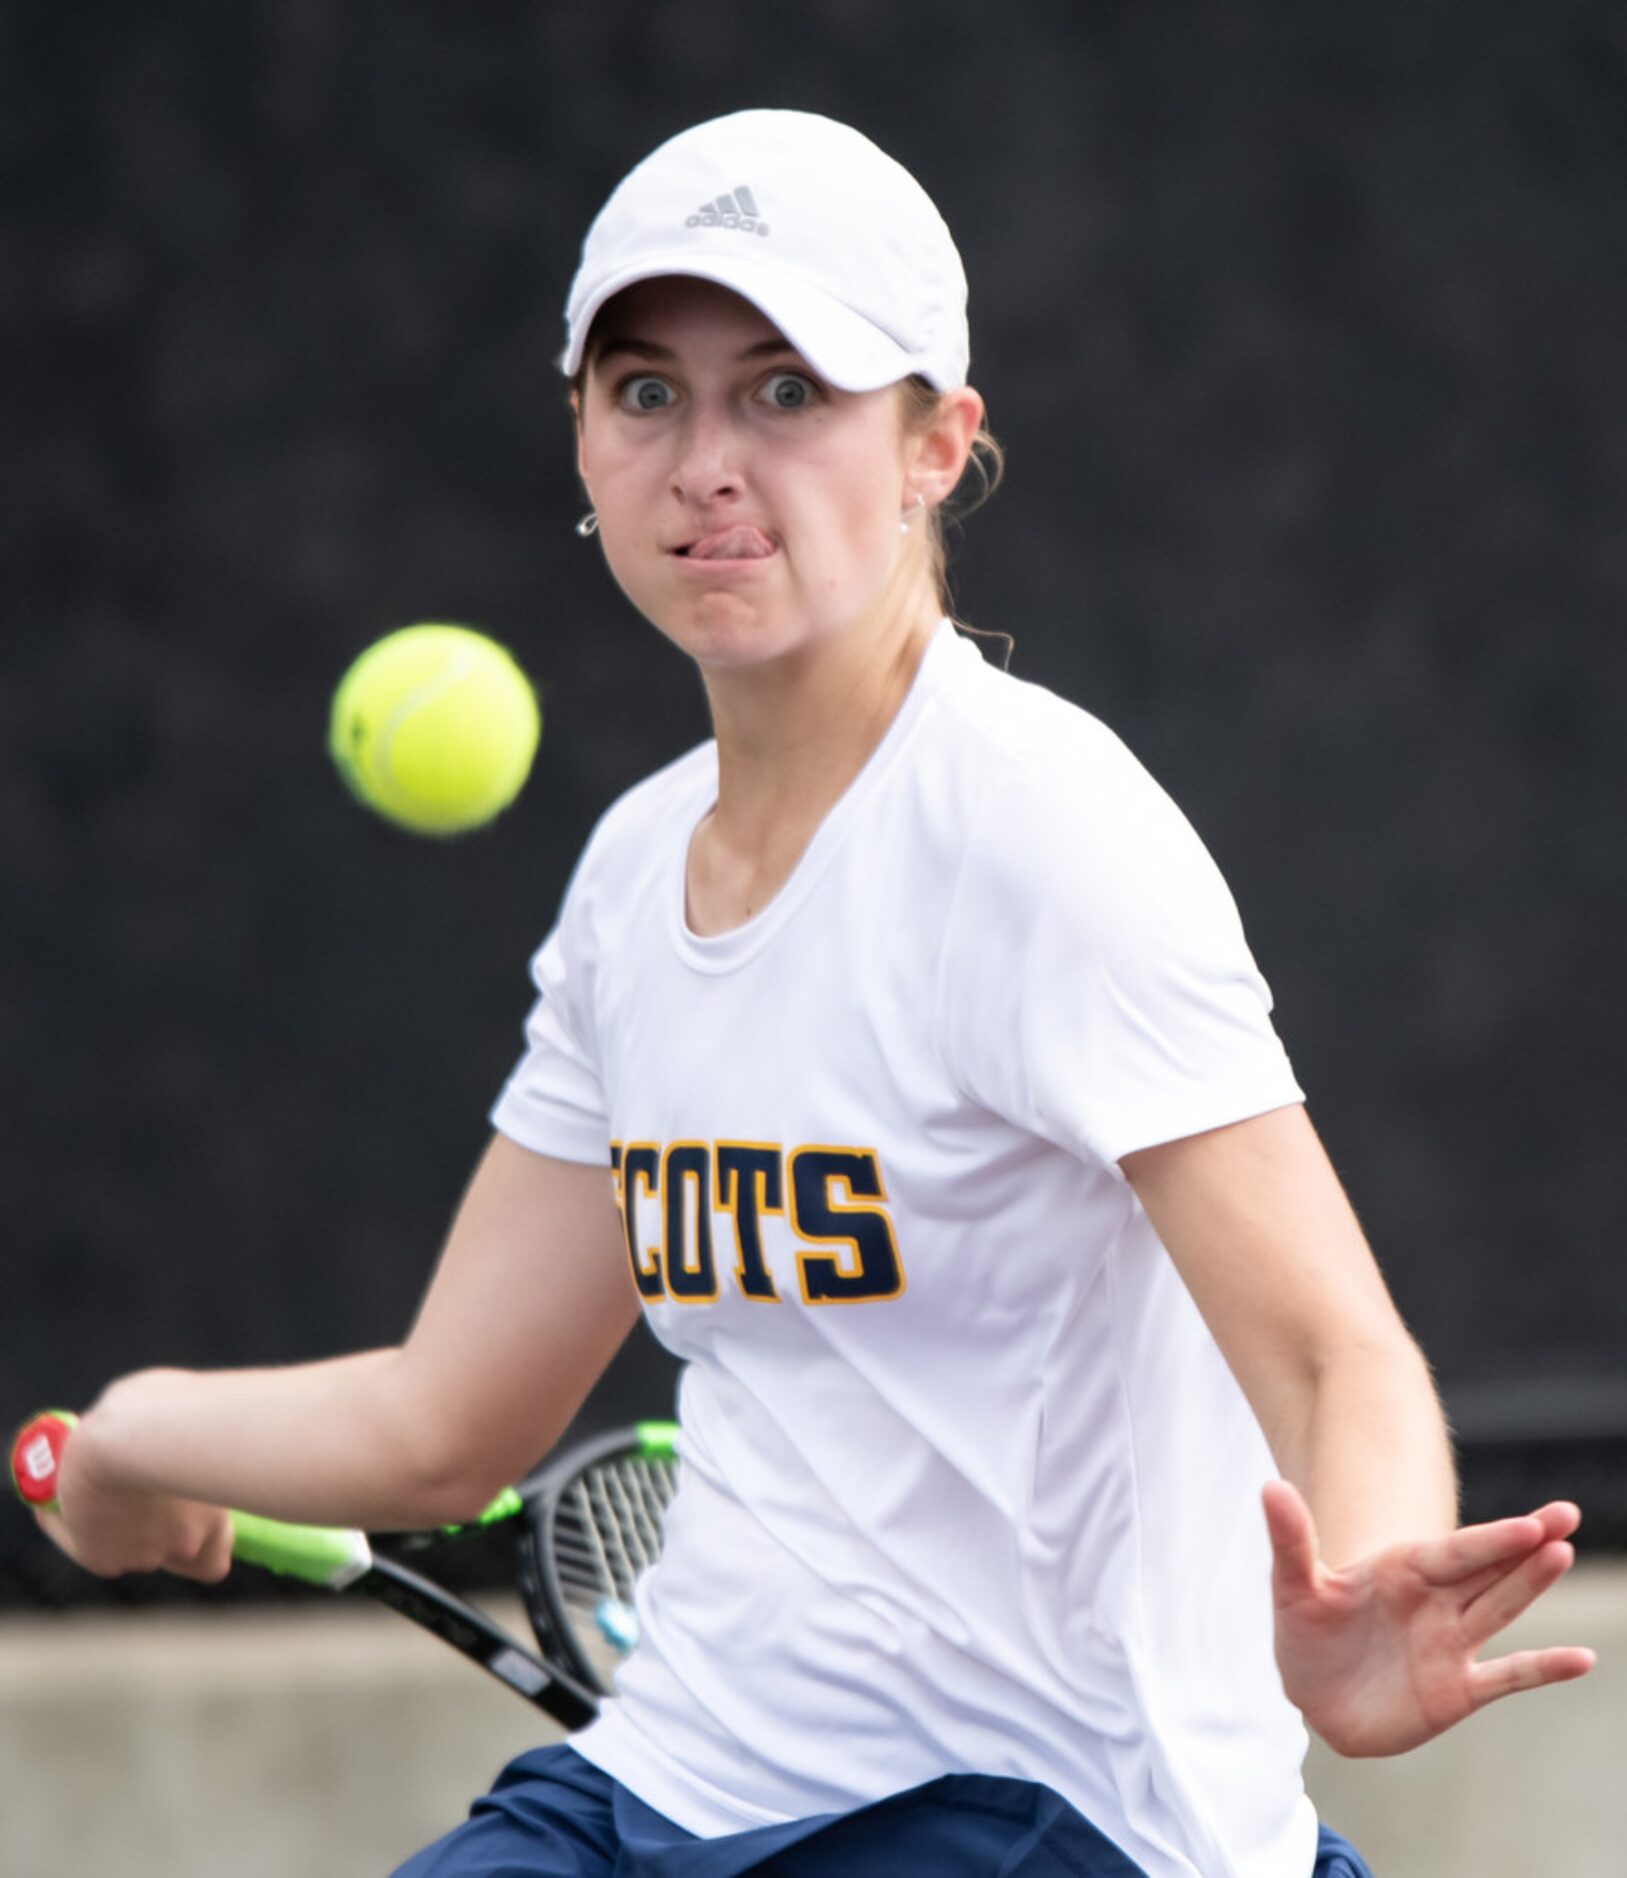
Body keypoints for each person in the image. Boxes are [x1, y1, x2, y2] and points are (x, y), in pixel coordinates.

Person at [34, 110, 1594, 1878]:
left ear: (938, 441)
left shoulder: (1041, 832)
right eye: (647, 393)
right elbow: (450, 1416)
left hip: (1038, 1819)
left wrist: (1369, 1580)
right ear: (582, 437)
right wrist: (133, 1429)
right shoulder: (633, 876)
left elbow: (1333, 1347)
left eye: (788, 393)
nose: (706, 461)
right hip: (669, 1780)